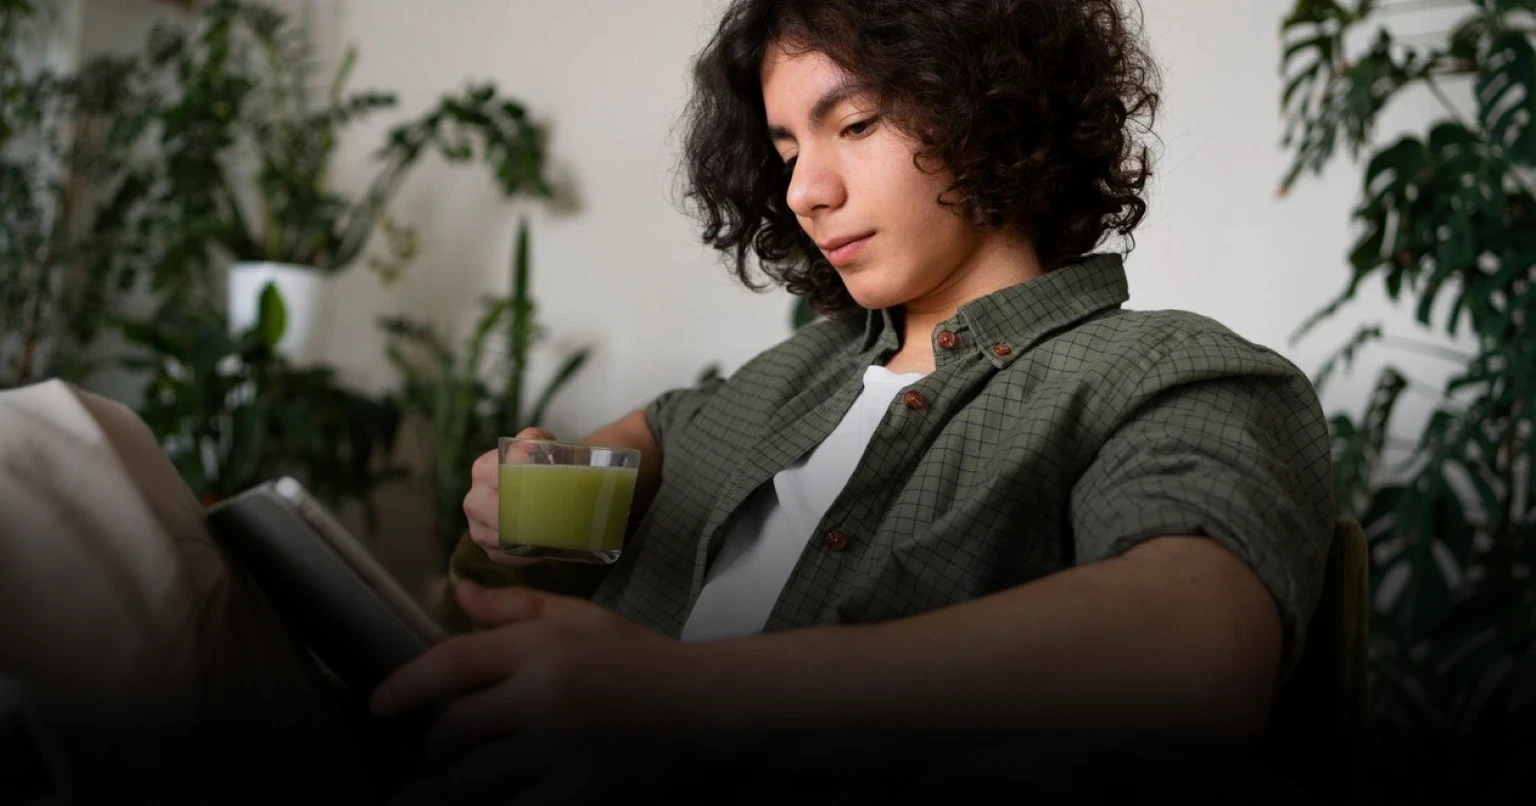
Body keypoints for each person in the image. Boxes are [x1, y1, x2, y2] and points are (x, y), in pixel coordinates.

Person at [0, 0, 1332, 804]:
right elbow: (613, 462)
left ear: (995, 109)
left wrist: (687, 702)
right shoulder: (783, 380)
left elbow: (1193, 656)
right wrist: (529, 492)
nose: (805, 190)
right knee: (62, 445)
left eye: (851, 122)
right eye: (787, 145)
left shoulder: (1170, 373)